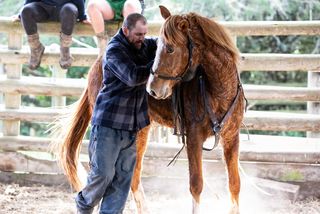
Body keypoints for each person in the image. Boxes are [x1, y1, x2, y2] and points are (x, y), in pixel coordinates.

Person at [75, 13, 157, 213]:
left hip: (131, 128)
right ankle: (83, 207)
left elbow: (162, 43)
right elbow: (132, 76)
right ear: (126, 30)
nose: (142, 38)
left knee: (121, 180)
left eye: (145, 34)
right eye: (138, 34)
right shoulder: (114, 50)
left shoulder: (143, 45)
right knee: (102, 175)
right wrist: (157, 65)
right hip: (108, 126)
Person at [18, 0, 88, 70]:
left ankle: (65, 49)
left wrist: (82, 17)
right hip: (43, 7)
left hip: (66, 7)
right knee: (26, 11)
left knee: (69, 10)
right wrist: (21, 15)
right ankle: (36, 48)